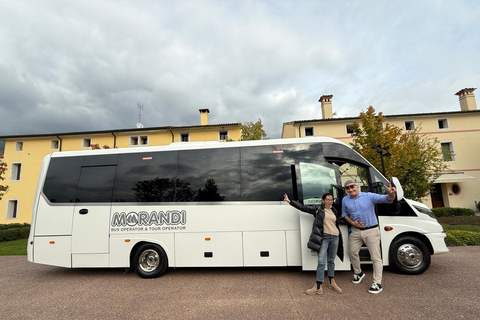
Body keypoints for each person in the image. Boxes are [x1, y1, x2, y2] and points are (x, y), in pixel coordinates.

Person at [341, 180, 396, 294]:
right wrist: (353, 223)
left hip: (371, 230)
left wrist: (391, 193)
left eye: (352, 187)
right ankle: (359, 273)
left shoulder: (369, 196)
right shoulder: (345, 199)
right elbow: (344, 214)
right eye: (348, 188)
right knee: (352, 252)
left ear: (357, 186)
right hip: (356, 231)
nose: (350, 189)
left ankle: (377, 283)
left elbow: (387, 199)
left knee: (375, 258)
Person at [284, 192, 344, 295]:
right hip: (324, 238)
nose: (330, 202)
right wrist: (290, 202)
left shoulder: (334, 210)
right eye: (327, 200)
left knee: (331, 261)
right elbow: (303, 207)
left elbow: (337, 222)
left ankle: (331, 282)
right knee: (321, 262)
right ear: (323, 200)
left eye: (331, 200)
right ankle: (318, 286)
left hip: (335, 237)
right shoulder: (318, 209)